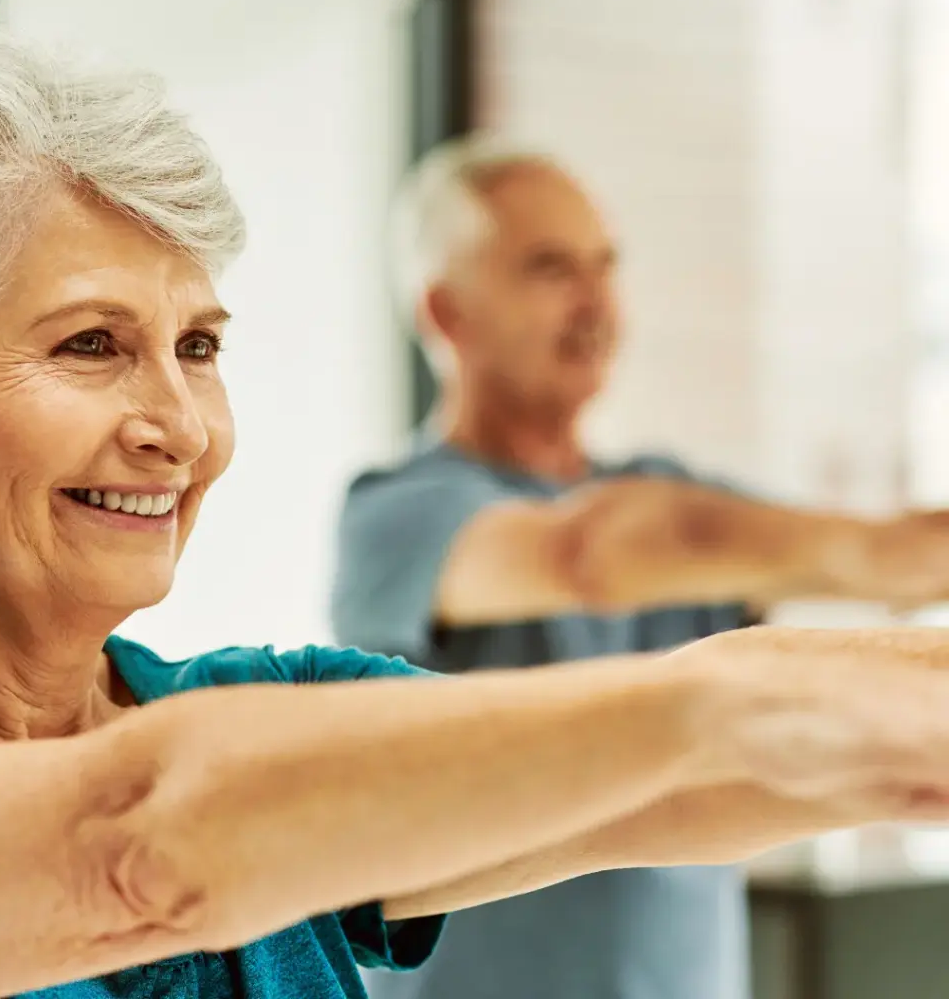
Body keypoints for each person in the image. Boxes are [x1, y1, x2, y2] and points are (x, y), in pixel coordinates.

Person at [0, 20, 949, 999]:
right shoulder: (238, 743)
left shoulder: (250, 709)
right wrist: (728, 708)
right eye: (91, 344)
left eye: (198, 348)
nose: (181, 429)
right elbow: (135, 844)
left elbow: (680, 782)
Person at [329, 135, 949, 999]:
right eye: (551, 269)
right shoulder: (399, 513)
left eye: (605, 266)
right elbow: (587, 556)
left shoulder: (666, 496)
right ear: (448, 314)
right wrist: (872, 554)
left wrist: (900, 559)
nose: (597, 303)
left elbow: (874, 566)